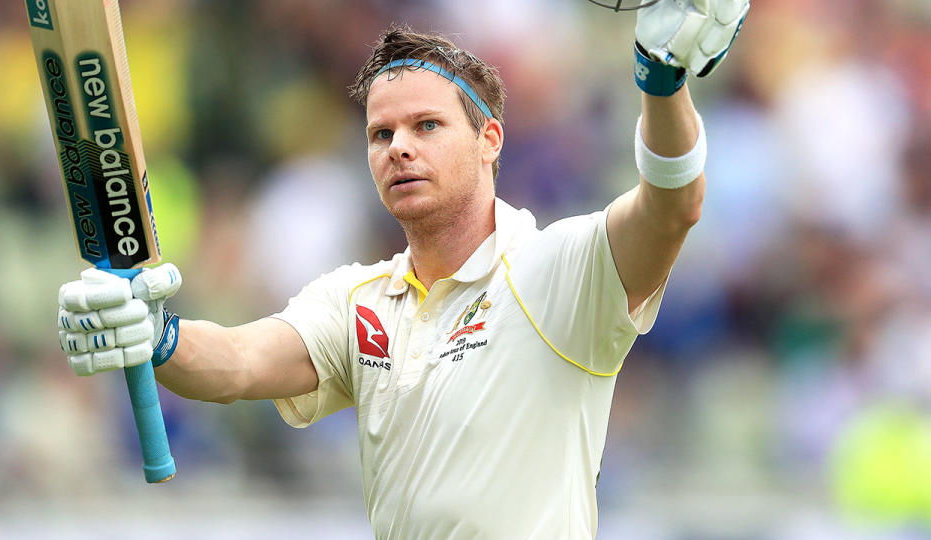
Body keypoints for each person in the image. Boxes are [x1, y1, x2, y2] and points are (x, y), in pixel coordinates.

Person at [56, 1, 749, 537]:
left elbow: (672, 205)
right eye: (380, 134)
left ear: (489, 141)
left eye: (426, 127)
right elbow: (237, 363)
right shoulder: (361, 301)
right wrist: (155, 335)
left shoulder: (557, 270)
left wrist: (660, 83)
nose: (399, 149)